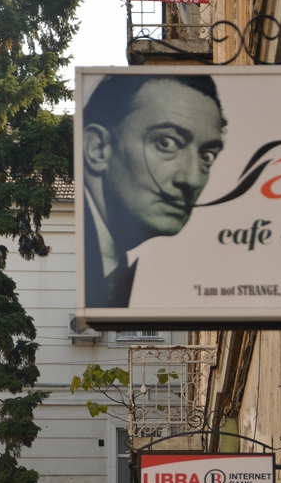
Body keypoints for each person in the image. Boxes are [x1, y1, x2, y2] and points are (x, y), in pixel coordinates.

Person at [82, 73, 226, 308]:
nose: (191, 180)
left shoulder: (112, 263)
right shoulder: (89, 259)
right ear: (98, 149)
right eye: (166, 143)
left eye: (207, 156)